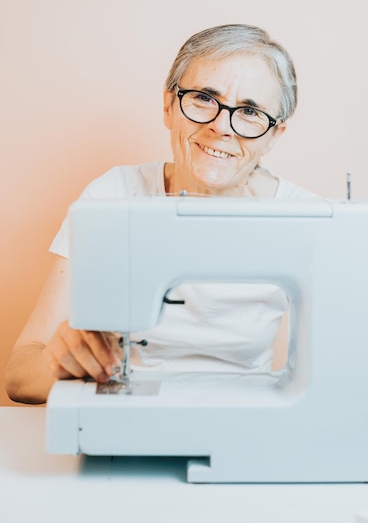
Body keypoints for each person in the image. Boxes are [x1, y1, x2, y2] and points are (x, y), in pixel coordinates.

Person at [5, 24, 317, 405]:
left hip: (242, 425)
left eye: (250, 111)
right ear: (169, 107)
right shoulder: (114, 196)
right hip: (123, 417)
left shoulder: (307, 221)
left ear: (274, 135)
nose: (221, 126)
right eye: (203, 97)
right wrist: (61, 364)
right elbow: (20, 376)